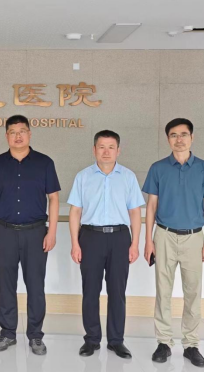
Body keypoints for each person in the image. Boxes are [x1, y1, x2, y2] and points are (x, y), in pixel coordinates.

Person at [0, 115, 60, 356]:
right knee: (6, 285)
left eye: (22, 131)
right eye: (13, 132)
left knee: (35, 285)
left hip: (36, 233)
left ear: (29, 134)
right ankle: (7, 333)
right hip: (3, 232)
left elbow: (53, 198)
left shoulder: (45, 163)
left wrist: (52, 232)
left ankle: (36, 336)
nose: (18, 136)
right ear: (6, 136)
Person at [143, 118, 204, 368]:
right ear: (168, 139)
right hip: (163, 235)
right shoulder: (158, 168)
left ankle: (191, 344)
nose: (179, 139)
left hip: (194, 237)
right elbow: (151, 206)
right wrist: (148, 240)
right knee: (163, 291)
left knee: (193, 292)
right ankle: (163, 342)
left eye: (184, 134)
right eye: (173, 135)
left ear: (192, 137)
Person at [68, 130, 144, 359]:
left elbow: (135, 212)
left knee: (117, 291)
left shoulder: (128, 177)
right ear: (94, 150)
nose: (106, 151)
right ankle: (91, 339)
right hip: (90, 237)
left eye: (111, 147)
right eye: (101, 147)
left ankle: (116, 340)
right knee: (90, 291)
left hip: (120, 238)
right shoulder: (83, 176)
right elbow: (75, 212)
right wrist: (75, 244)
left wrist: (135, 243)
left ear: (118, 150)